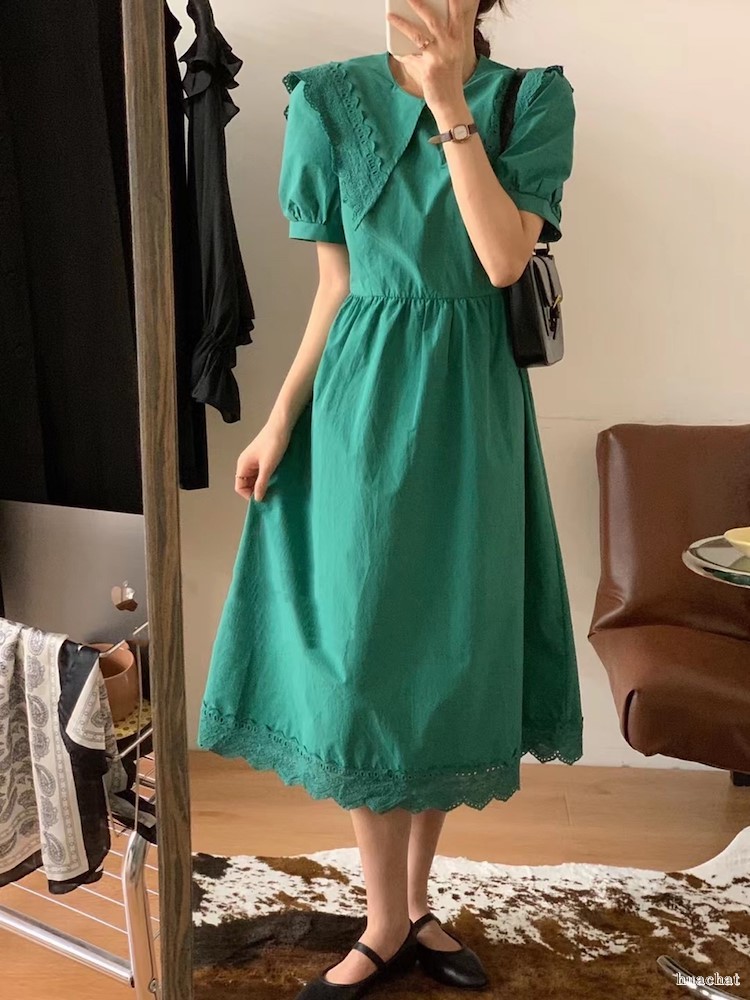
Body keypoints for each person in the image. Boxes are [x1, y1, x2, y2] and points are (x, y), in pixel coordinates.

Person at [197, 0, 583, 995]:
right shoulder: (325, 101)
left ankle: (411, 908)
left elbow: (503, 260)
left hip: (469, 412)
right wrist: (280, 416)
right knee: (365, 660)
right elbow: (335, 286)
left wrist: (450, 101)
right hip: (357, 409)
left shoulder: (531, 101)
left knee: (448, 656)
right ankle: (384, 918)